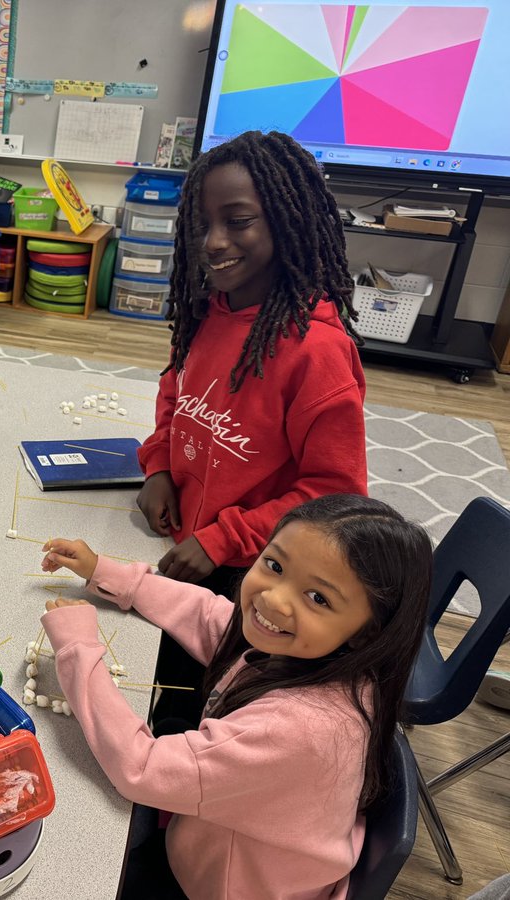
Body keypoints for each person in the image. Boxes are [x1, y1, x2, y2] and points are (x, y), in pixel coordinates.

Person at [40, 494, 432, 900]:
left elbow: (141, 769)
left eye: (318, 598)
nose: (274, 599)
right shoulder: (330, 656)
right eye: (275, 566)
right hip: (233, 844)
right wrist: (110, 574)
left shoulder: (300, 729)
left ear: (366, 631)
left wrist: (78, 650)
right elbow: (213, 618)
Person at [135, 130, 369, 721]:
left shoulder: (317, 352)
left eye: (238, 221)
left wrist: (221, 540)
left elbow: (334, 497)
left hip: (254, 577)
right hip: (183, 548)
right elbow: (176, 391)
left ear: (289, 223)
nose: (213, 243)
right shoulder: (207, 312)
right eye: (202, 225)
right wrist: (160, 464)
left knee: (192, 709)